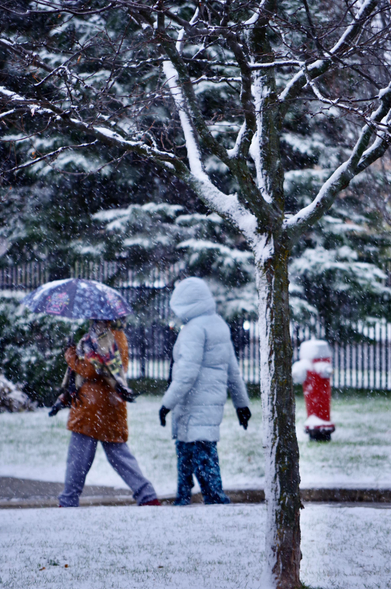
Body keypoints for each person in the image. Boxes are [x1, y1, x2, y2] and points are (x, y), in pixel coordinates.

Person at [159, 277, 251, 506]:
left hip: (193, 407)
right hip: (210, 406)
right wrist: (242, 405)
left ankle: (210, 500)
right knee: (200, 453)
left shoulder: (194, 330)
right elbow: (233, 370)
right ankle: (185, 499)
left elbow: (186, 375)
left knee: (193, 455)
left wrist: (166, 404)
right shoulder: (218, 324)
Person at [52, 319, 160, 507]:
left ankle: (68, 500)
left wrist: (69, 354)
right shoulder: (118, 336)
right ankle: (147, 495)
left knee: (78, 459)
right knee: (120, 457)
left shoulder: (102, 337)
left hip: (91, 408)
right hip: (110, 406)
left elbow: (90, 369)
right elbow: (110, 371)